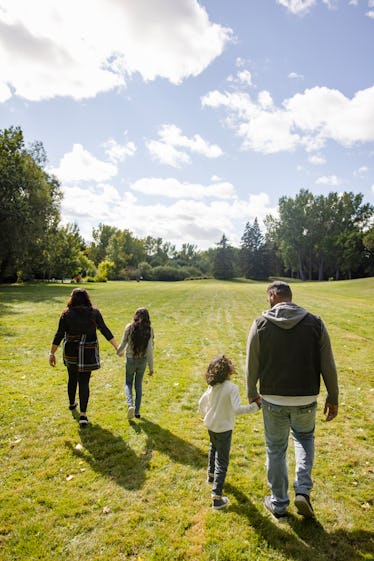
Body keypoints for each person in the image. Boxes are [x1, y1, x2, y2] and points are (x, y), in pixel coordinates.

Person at [246, 281, 339, 521]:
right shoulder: (315, 323)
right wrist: (333, 396)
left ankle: (278, 503)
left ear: (274, 296)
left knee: (275, 448)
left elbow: (251, 363)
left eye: (268, 296)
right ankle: (303, 490)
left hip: (273, 398)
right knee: (304, 439)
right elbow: (327, 363)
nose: (267, 300)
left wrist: (250, 391)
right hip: (306, 397)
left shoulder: (260, 324)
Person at [49, 288, 118, 426]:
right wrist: (117, 347)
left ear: (72, 299)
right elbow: (104, 330)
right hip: (88, 351)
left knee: (72, 378)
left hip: (71, 351)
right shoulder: (94, 313)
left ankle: (71, 403)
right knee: (84, 382)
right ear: (87, 298)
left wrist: (52, 353)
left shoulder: (66, 314)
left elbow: (59, 334)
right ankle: (83, 415)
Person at [199, 355, 260, 510]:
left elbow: (201, 403)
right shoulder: (232, 388)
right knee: (223, 461)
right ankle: (217, 498)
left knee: (213, 447)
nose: (233, 364)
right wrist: (255, 407)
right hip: (224, 428)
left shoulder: (213, 385)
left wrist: (206, 414)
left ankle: (211, 475)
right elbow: (237, 409)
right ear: (226, 369)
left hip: (211, 425)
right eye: (230, 363)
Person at [116, 307, 154, 420]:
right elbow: (150, 350)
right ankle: (137, 412)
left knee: (128, 383)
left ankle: (130, 405)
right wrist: (151, 367)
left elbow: (123, 343)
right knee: (138, 385)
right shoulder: (149, 330)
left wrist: (118, 352)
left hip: (130, 360)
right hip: (142, 361)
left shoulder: (129, 327)